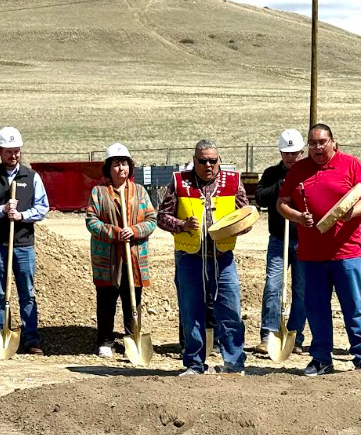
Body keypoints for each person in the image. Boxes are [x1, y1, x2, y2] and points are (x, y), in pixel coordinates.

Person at [277, 124, 361, 375]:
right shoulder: (299, 170)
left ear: (333, 142)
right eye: (313, 143)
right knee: (316, 308)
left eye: (322, 142)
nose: (318, 147)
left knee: (352, 306)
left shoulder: (351, 165)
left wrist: (351, 212)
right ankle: (321, 358)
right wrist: (298, 217)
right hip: (311, 254)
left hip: (346, 252)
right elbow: (282, 203)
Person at [157, 139, 249, 375]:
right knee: (191, 311)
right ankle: (194, 364)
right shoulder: (179, 182)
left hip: (223, 257)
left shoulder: (233, 182)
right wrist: (182, 224)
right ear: (194, 160)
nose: (208, 165)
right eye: (203, 161)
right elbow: (162, 216)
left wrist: (237, 227)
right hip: (190, 256)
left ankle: (234, 362)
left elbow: (246, 216)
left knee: (230, 310)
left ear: (219, 160)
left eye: (213, 160)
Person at [0, 127, 50, 355]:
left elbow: (42, 207)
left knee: (27, 292)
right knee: (0, 292)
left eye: (17, 151)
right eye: (9, 152)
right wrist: (2, 209)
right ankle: (1, 332)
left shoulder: (31, 177)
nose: (13, 156)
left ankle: (31, 339)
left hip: (23, 245)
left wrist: (22, 216)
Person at [85, 143, 157, 358]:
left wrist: (134, 230)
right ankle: (105, 341)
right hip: (108, 258)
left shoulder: (140, 192)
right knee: (106, 299)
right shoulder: (99, 193)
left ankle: (131, 337)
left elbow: (152, 220)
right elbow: (91, 221)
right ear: (108, 168)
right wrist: (115, 232)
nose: (121, 169)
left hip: (133, 256)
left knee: (132, 297)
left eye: (124, 164)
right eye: (116, 165)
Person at [254, 128, 306, 355]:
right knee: (273, 286)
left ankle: (296, 335)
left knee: (302, 289)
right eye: (286, 153)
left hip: (304, 239)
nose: (290, 157)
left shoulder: (308, 172)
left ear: (301, 152)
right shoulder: (271, 173)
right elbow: (261, 198)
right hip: (278, 239)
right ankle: (268, 334)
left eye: (294, 153)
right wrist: (281, 186)